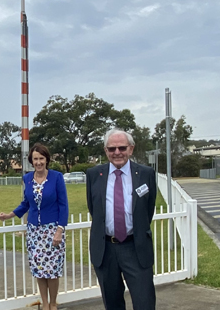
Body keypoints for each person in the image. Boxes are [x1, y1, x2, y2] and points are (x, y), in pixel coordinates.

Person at [86, 129, 157, 310]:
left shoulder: (145, 173)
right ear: (105, 151)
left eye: (122, 148)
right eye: (112, 149)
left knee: (144, 303)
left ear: (131, 149)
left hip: (135, 248)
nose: (117, 152)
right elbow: (94, 209)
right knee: (112, 303)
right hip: (106, 249)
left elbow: (147, 210)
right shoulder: (94, 175)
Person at [0, 143, 68, 310]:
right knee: (39, 270)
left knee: (52, 270)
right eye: (35, 159)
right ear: (31, 160)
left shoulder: (56, 177)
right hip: (34, 232)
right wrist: (10, 215)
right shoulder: (27, 178)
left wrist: (59, 230)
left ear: (47, 160)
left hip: (52, 230)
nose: (38, 162)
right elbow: (26, 203)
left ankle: (53, 303)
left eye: (41, 158)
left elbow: (63, 205)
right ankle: (44, 304)